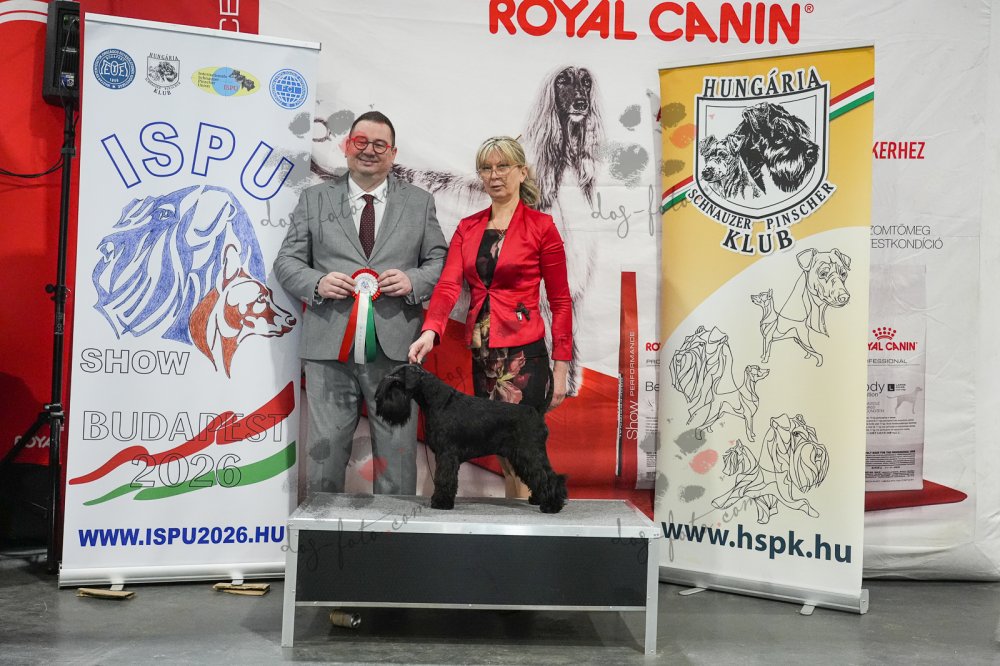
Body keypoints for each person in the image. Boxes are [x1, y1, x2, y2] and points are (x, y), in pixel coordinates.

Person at [274, 111, 447, 496]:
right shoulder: (314, 199)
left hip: (397, 351)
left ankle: (394, 533)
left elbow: (440, 261)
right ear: (346, 146)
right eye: (361, 142)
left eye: (379, 145)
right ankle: (320, 529)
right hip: (327, 350)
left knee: (398, 454)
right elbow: (287, 262)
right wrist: (316, 282)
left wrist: (414, 281)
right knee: (325, 451)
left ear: (393, 153)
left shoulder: (420, 203)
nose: (369, 150)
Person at [408, 135, 572, 499]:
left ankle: (528, 521)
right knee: (504, 455)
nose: (494, 175)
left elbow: (561, 301)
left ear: (522, 172)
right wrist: (430, 331)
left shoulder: (542, 226)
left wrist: (561, 369)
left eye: (503, 166)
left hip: (524, 355)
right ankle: (517, 519)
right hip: (483, 355)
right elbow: (448, 287)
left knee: (523, 452)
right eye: (486, 168)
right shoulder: (468, 227)